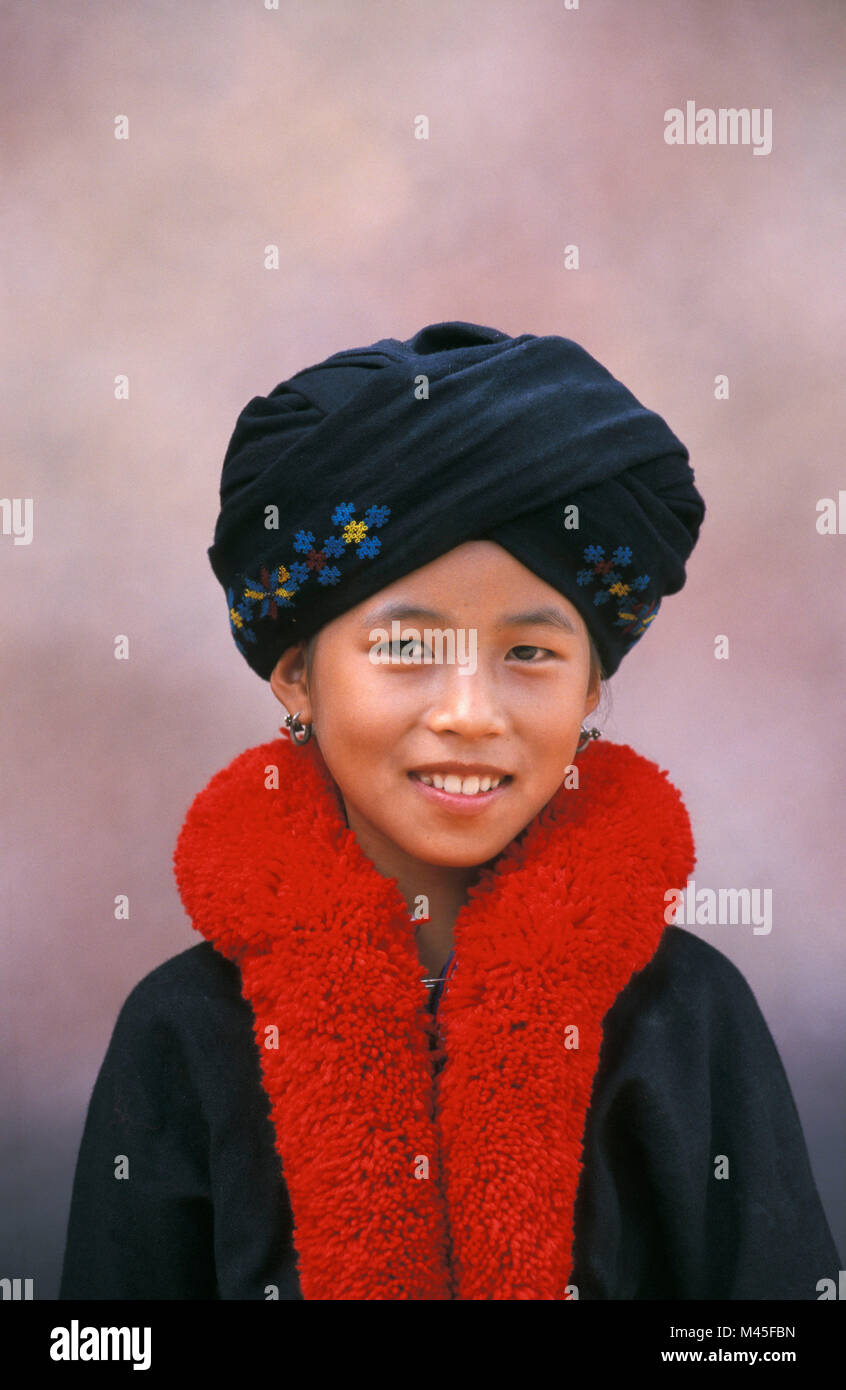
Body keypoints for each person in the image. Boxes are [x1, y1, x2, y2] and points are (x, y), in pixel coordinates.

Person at [60, 320, 841, 1300]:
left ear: (591, 688)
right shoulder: (182, 1028)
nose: (470, 712)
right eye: (406, 647)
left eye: (531, 653)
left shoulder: (688, 1016)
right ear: (297, 675)